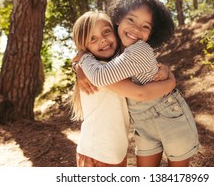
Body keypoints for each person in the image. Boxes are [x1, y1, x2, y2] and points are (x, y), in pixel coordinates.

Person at [75, 0, 200, 167]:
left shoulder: (138, 49)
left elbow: (103, 77)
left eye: (145, 26)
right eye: (131, 20)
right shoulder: (116, 52)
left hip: (169, 116)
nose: (135, 29)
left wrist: (83, 57)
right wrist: (78, 65)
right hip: (140, 125)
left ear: (151, 34)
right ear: (118, 18)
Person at [71, 11, 177, 167]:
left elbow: (145, 70)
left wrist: (165, 69)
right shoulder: (99, 74)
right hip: (99, 154)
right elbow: (141, 93)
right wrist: (172, 81)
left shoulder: (113, 67)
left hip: (113, 152)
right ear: (84, 46)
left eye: (106, 32)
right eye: (92, 38)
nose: (102, 40)